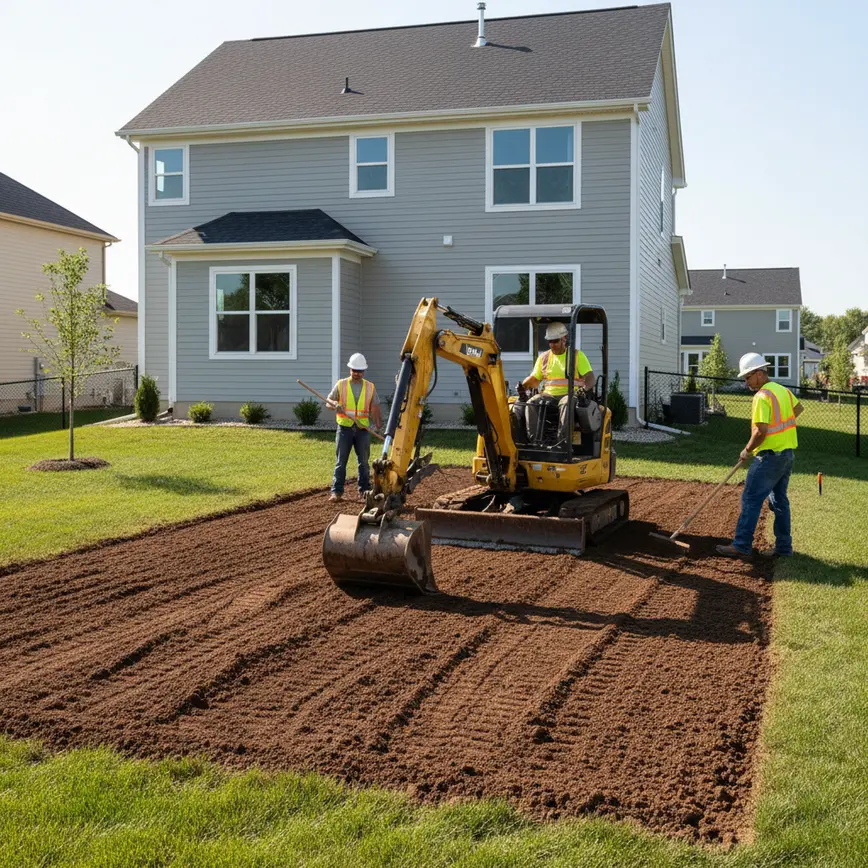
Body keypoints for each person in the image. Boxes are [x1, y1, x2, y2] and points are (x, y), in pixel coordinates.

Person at [716, 352, 804, 560]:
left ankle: (741, 545)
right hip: (786, 455)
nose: (746, 383)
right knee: (780, 501)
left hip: (769, 457)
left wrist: (747, 450)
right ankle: (784, 548)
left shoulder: (762, 396)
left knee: (750, 499)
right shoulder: (782, 390)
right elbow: (798, 408)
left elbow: (760, 431)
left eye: (747, 377)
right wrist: (782, 426)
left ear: (759, 373)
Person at [515, 322, 595, 444]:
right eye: (550, 341)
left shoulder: (577, 356)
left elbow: (590, 378)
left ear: (564, 339)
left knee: (566, 402)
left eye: (555, 341)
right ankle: (536, 441)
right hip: (549, 396)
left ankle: (562, 443)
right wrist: (523, 386)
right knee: (532, 402)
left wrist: (583, 389)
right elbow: (534, 379)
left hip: (571, 395)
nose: (552, 344)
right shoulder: (544, 358)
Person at [325, 353, 382, 503]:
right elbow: (328, 401)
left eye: (360, 371)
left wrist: (378, 424)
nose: (357, 374)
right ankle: (336, 492)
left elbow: (375, 407)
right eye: (354, 370)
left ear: (364, 371)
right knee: (340, 461)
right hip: (344, 429)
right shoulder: (341, 385)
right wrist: (335, 405)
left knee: (363, 461)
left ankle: (364, 492)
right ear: (350, 369)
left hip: (362, 430)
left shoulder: (370, 387)